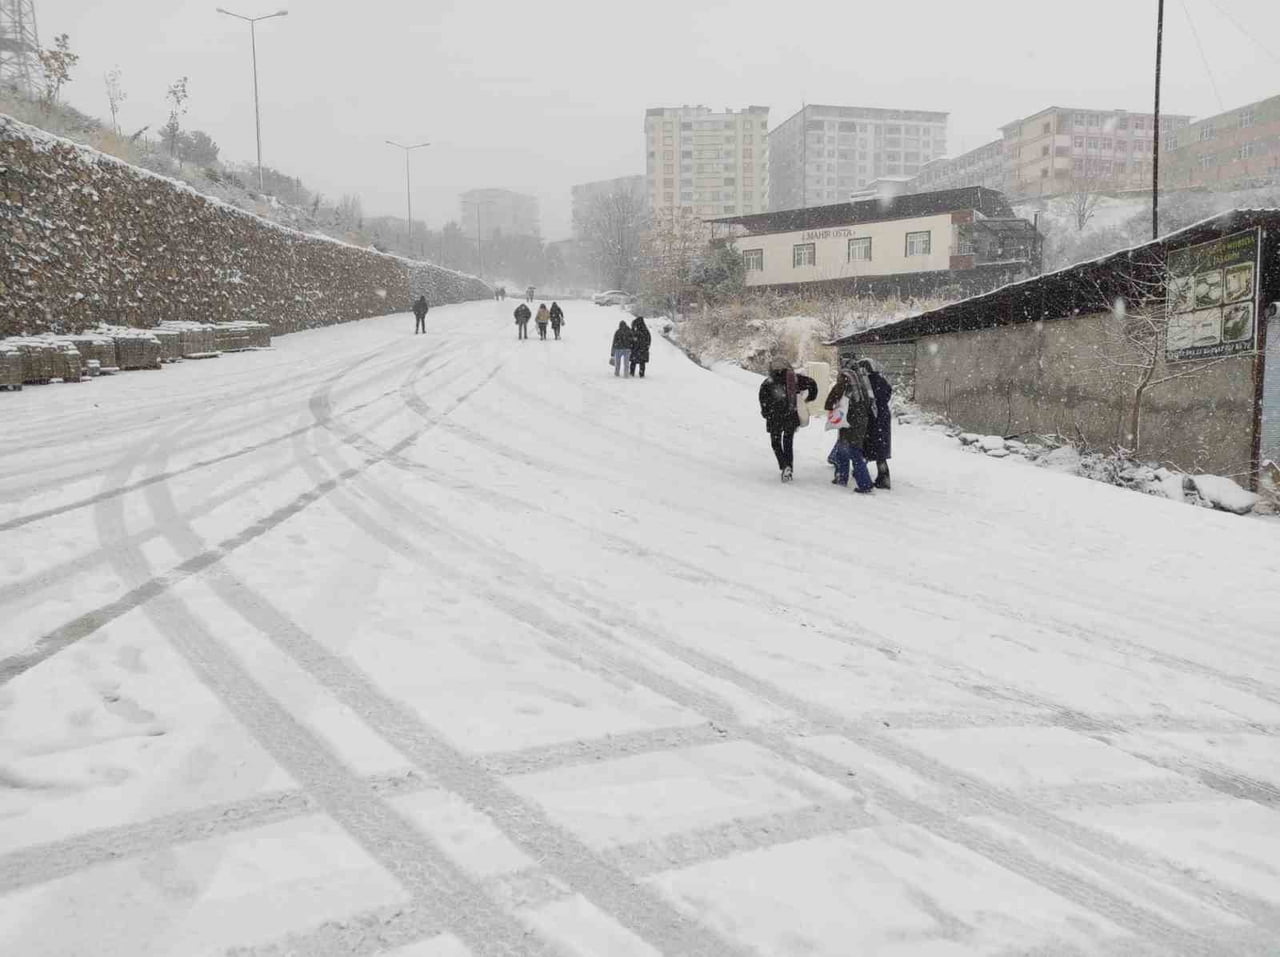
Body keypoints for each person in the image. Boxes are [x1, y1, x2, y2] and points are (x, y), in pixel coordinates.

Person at [758, 357, 818, 483]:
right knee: (788, 442)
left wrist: (766, 414)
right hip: (791, 416)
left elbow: (763, 401)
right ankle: (789, 468)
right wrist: (809, 398)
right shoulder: (794, 378)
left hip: (775, 418)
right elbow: (812, 384)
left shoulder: (768, 382)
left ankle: (784, 465)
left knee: (775, 443)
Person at [824, 359, 875, 493]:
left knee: (849, 452)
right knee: (851, 451)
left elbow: (828, 404)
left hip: (847, 423)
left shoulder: (843, 385)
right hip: (861, 423)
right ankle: (844, 479)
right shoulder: (863, 386)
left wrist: (837, 406)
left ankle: (862, 484)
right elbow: (869, 405)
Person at [859, 357, 893, 489]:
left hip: (873, 417)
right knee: (881, 449)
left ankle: (861, 472)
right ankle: (884, 476)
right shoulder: (881, 380)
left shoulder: (867, 382)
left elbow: (865, 400)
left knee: (866, 446)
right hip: (884, 416)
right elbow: (888, 393)